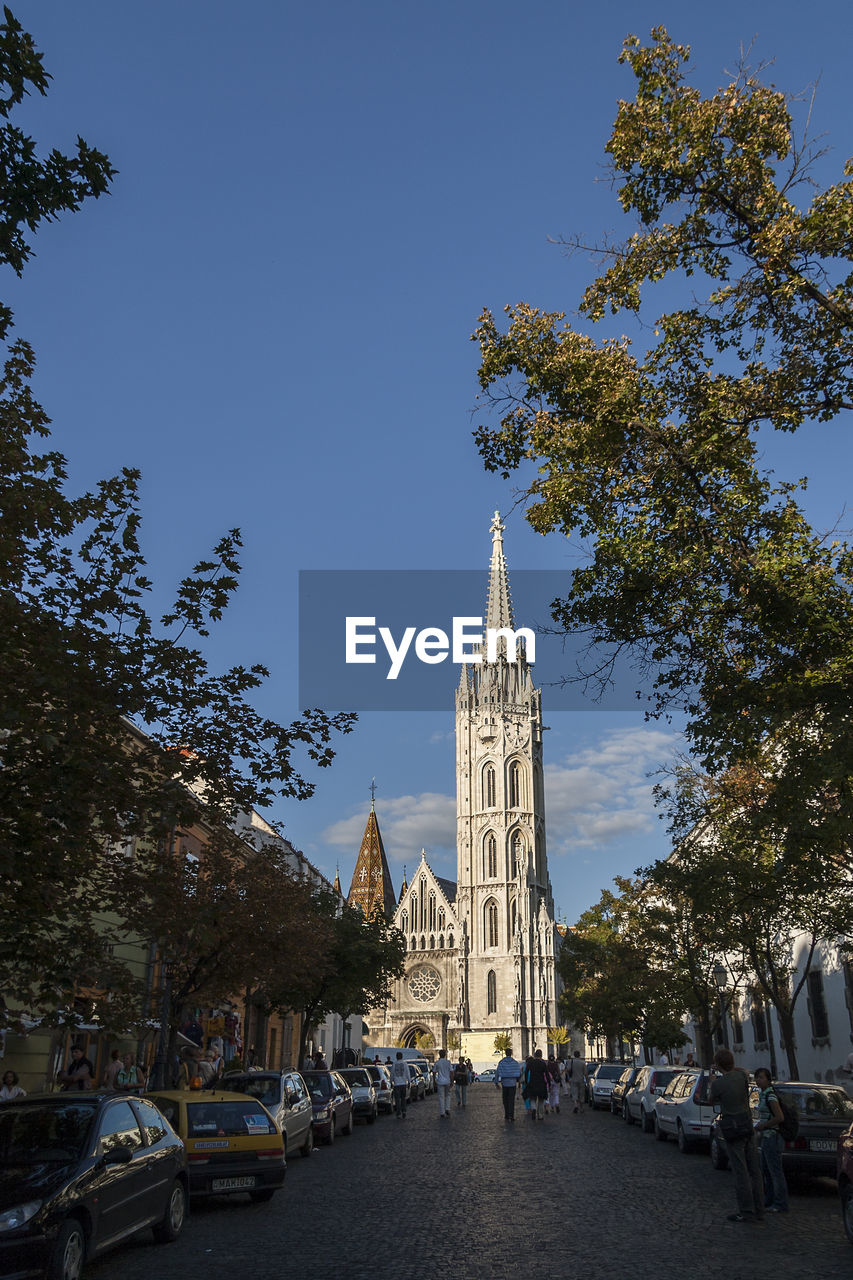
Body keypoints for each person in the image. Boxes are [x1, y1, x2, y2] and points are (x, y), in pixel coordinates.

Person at [710, 1047, 764, 1223]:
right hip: (748, 1126)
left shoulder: (719, 1084)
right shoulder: (742, 1077)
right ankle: (759, 1209)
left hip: (733, 1129)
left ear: (718, 1065)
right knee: (754, 1170)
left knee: (741, 1172)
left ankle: (747, 1211)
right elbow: (745, 1071)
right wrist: (729, 1066)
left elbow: (711, 1099)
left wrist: (713, 1080)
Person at [754, 1067, 789, 1213]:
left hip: (772, 1136)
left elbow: (779, 1117)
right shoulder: (762, 1094)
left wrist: (763, 1126)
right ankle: (769, 1199)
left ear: (768, 1080)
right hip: (766, 1137)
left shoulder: (771, 1096)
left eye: (761, 1077)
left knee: (775, 1171)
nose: (758, 1080)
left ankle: (781, 1203)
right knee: (766, 1170)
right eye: (757, 1077)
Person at [494, 1048, 522, 1121]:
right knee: (511, 1100)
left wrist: (496, 1082)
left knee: (505, 1100)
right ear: (511, 1053)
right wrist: (519, 1082)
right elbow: (519, 1073)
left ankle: (506, 1114)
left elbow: (497, 1073)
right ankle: (511, 1115)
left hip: (505, 1083)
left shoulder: (501, 1062)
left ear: (505, 1053)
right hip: (512, 1083)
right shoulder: (515, 1063)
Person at [524, 1049, 552, 1120]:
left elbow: (526, 1072)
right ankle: (540, 1115)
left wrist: (527, 1081)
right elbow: (547, 1074)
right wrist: (549, 1084)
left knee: (532, 1098)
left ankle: (533, 1108)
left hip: (532, 1082)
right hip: (541, 1083)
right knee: (541, 1100)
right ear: (541, 1055)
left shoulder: (530, 1063)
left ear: (535, 1055)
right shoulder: (543, 1064)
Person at [434, 1048, 454, 1117]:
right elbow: (451, 1072)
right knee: (448, 1095)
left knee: (441, 1097)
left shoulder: (437, 1063)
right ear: (445, 1055)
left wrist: (434, 1081)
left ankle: (442, 1112)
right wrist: (452, 1081)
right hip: (447, 1081)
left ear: (439, 1055)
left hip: (440, 1081)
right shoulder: (448, 1062)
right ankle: (447, 1108)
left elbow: (434, 1072)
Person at [391, 1051, 409, 1119]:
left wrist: (391, 1081)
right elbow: (407, 1073)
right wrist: (409, 1081)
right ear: (402, 1056)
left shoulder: (394, 1064)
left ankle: (398, 1113)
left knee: (397, 1099)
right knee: (403, 1098)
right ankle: (404, 1111)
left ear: (396, 1057)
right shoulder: (405, 1064)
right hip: (403, 1083)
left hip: (397, 1084)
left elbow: (392, 1073)